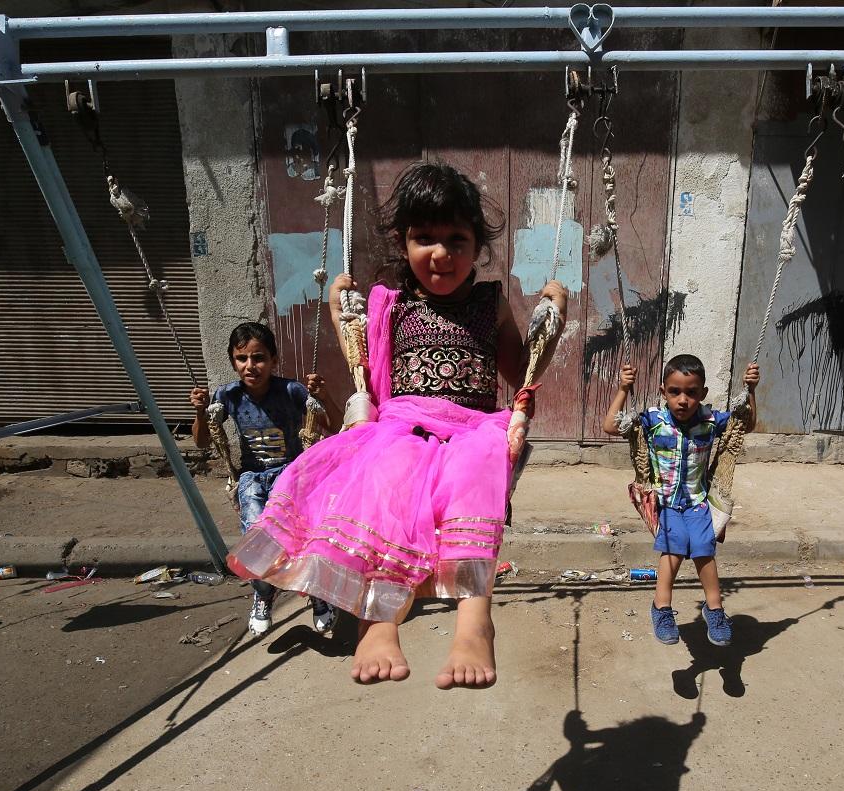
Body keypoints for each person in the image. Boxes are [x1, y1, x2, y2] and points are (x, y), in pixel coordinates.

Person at [227, 161, 566, 689]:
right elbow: (370, 371)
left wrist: (551, 319)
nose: (441, 253)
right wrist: (345, 310)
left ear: (478, 245)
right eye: (424, 238)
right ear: (403, 243)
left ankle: (475, 620)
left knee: (477, 478)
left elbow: (517, 372)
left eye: (457, 239)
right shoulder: (391, 304)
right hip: (402, 424)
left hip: (473, 426)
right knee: (386, 486)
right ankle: (378, 620)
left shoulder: (489, 302)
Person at [603, 354, 760, 647]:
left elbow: (745, 425)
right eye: (675, 392)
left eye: (691, 392)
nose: (683, 400)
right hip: (664, 502)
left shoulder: (711, 420)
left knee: (703, 550)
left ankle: (715, 611)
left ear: (703, 394)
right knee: (674, 551)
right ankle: (661, 608)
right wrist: (624, 389)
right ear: (664, 392)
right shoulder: (652, 420)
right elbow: (611, 426)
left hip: (698, 501)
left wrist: (750, 391)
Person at [190, 323, 335, 637]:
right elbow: (202, 442)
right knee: (257, 542)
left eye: (258, 358)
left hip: (292, 473)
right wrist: (201, 412)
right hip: (252, 477)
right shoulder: (227, 395)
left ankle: (317, 593)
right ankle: (263, 593)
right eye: (242, 358)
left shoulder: (291, 391)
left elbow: (331, 425)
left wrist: (322, 396)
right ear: (233, 361)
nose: (250, 366)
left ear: (273, 360)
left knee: (301, 536)